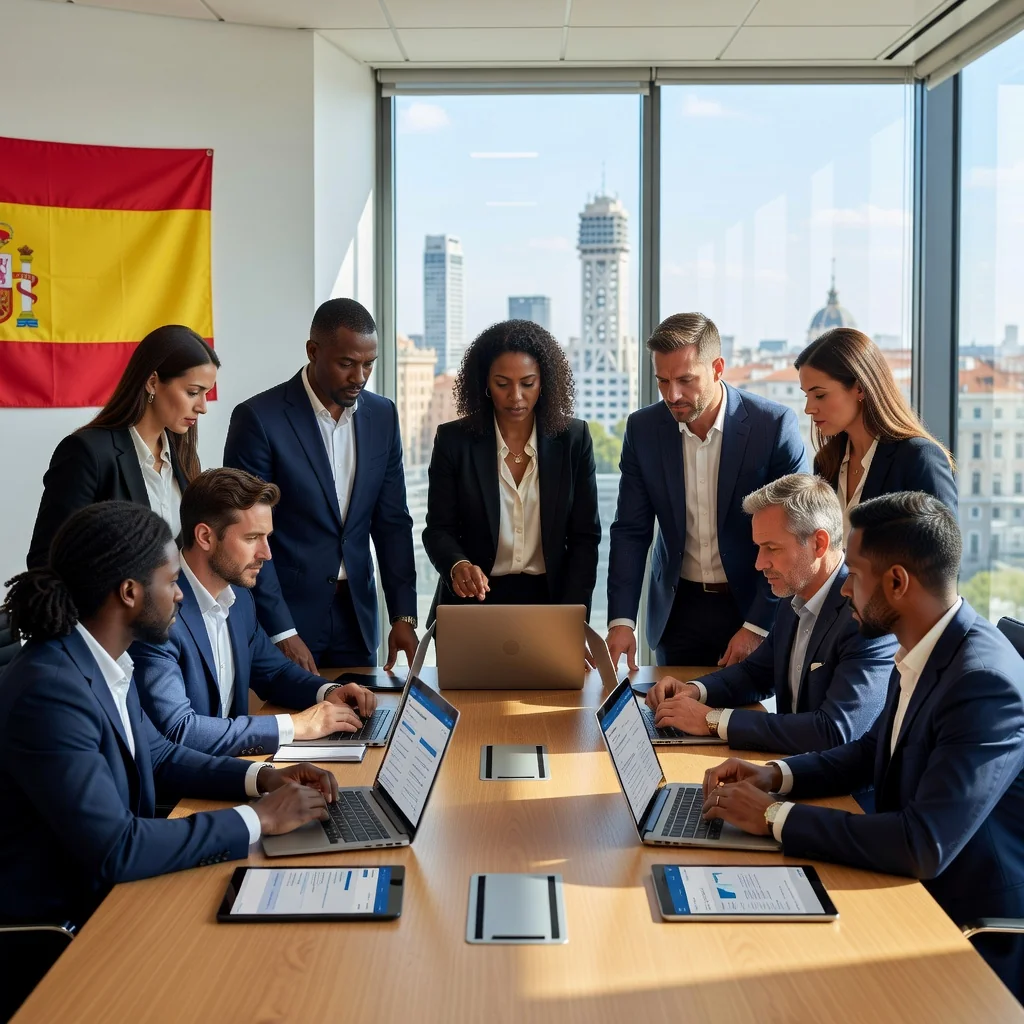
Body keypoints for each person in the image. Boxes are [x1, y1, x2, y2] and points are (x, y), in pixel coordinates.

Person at [701, 492, 1024, 999]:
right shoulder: (923, 644)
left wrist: (771, 817)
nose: (844, 588)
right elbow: (870, 751)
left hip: (961, 929)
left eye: (853, 573)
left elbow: (923, 844)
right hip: (900, 887)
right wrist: (778, 776)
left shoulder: (981, 683)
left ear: (896, 583)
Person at [0, 501, 339, 931]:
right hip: (65, 929)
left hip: (117, 897)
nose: (180, 594)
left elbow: (160, 756)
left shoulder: (103, 662)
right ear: (130, 592)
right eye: (173, 581)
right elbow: (116, 847)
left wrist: (263, 779)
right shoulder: (50, 692)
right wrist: (261, 818)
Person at [223, 299, 417, 671]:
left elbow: (392, 521)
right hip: (286, 617)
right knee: (289, 726)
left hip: (357, 617)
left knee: (362, 722)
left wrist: (403, 615)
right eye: (347, 363)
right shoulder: (259, 419)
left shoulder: (383, 415)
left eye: (369, 364)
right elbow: (244, 533)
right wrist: (281, 631)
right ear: (313, 351)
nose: (359, 376)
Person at [606, 312, 807, 669]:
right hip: (676, 611)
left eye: (685, 379)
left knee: (746, 719)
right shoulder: (643, 429)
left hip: (752, 602)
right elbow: (631, 531)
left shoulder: (772, 427)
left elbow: (797, 532)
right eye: (662, 381)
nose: (673, 394)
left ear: (717, 368)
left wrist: (758, 624)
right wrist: (622, 621)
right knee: (669, 717)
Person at [131, 469, 377, 757]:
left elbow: (274, 673)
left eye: (268, 537)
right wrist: (294, 726)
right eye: (252, 538)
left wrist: (328, 692)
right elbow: (180, 730)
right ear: (205, 537)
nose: (266, 553)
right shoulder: (157, 614)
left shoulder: (240, 600)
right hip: (181, 794)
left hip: (230, 770)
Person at [645, 474, 896, 753]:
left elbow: (833, 731)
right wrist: (693, 691)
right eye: (759, 548)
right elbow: (756, 674)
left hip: (843, 793)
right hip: (794, 769)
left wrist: (712, 720)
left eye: (771, 549)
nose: (759, 563)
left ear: (819, 543)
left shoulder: (865, 616)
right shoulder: (795, 595)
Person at [423, 320, 600, 619]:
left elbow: (585, 538)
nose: (516, 396)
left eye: (527, 383)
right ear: (485, 384)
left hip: (552, 602)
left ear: (544, 382)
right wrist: (458, 565)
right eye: (502, 384)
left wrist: (575, 618)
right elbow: (439, 529)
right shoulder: (454, 441)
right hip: (472, 603)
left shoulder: (574, 438)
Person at [27, 324, 219, 568]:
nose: (202, 406)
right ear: (152, 382)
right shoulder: (87, 453)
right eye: (193, 392)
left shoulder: (183, 457)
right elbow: (47, 561)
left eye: (206, 394)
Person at [795, 327, 956, 542]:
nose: (809, 408)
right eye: (807, 396)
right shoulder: (826, 464)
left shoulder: (919, 458)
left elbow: (943, 561)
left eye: (819, 395)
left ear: (860, 388)